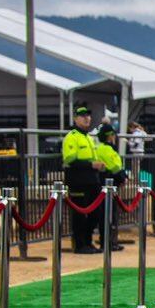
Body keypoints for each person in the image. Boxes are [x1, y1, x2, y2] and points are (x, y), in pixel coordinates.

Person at [61, 105, 100, 252]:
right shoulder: (71, 137)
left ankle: (88, 242)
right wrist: (91, 165)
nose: (86, 118)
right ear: (75, 119)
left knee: (95, 212)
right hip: (78, 180)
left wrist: (98, 166)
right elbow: (69, 160)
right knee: (79, 214)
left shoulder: (89, 137)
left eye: (88, 115)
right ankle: (80, 244)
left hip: (92, 179)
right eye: (83, 116)